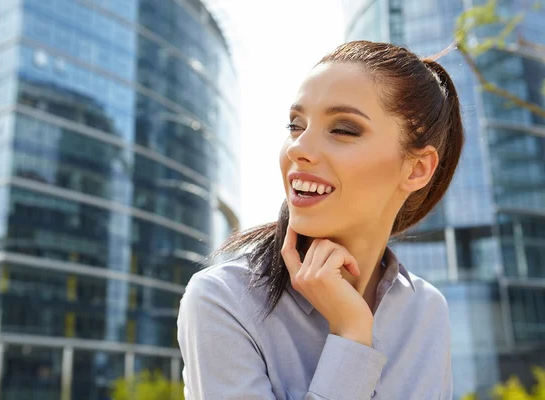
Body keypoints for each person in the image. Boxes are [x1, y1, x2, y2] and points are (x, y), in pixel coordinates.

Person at [177, 40, 463, 400]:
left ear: (418, 168)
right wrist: (352, 336)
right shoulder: (223, 301)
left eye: (343, 129)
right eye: (296, 125)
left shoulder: (425, 310)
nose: (297, 147)